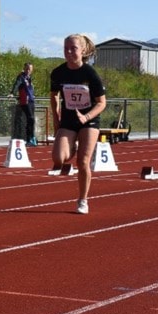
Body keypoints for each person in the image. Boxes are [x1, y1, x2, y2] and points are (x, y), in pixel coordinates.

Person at [50, 33, 106, 215]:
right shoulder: (58, 73)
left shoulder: (90, 74)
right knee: (59, 158)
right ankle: (72, 144)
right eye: (65, 48)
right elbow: (54, 96)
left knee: (83, 162)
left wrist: (86, 117)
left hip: (88, 121)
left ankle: (83, 200)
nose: (68, 52)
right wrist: (56, 120)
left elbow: (101, 103)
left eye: (73, 48)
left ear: (82, 50)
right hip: (68, 120)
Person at [11, 62, 37, 145]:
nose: (28, 70)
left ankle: (32, 137)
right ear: (24, 68)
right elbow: (17, 84)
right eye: (26, 69)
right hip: (25, 101)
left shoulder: (29, 78)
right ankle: (29, 138)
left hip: (31, 100)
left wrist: (33, 95)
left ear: (32, 70)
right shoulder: (21, 76)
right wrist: (12, 92)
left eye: (29, 69)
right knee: (30, 118)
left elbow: (30, 88)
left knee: (31, 120)